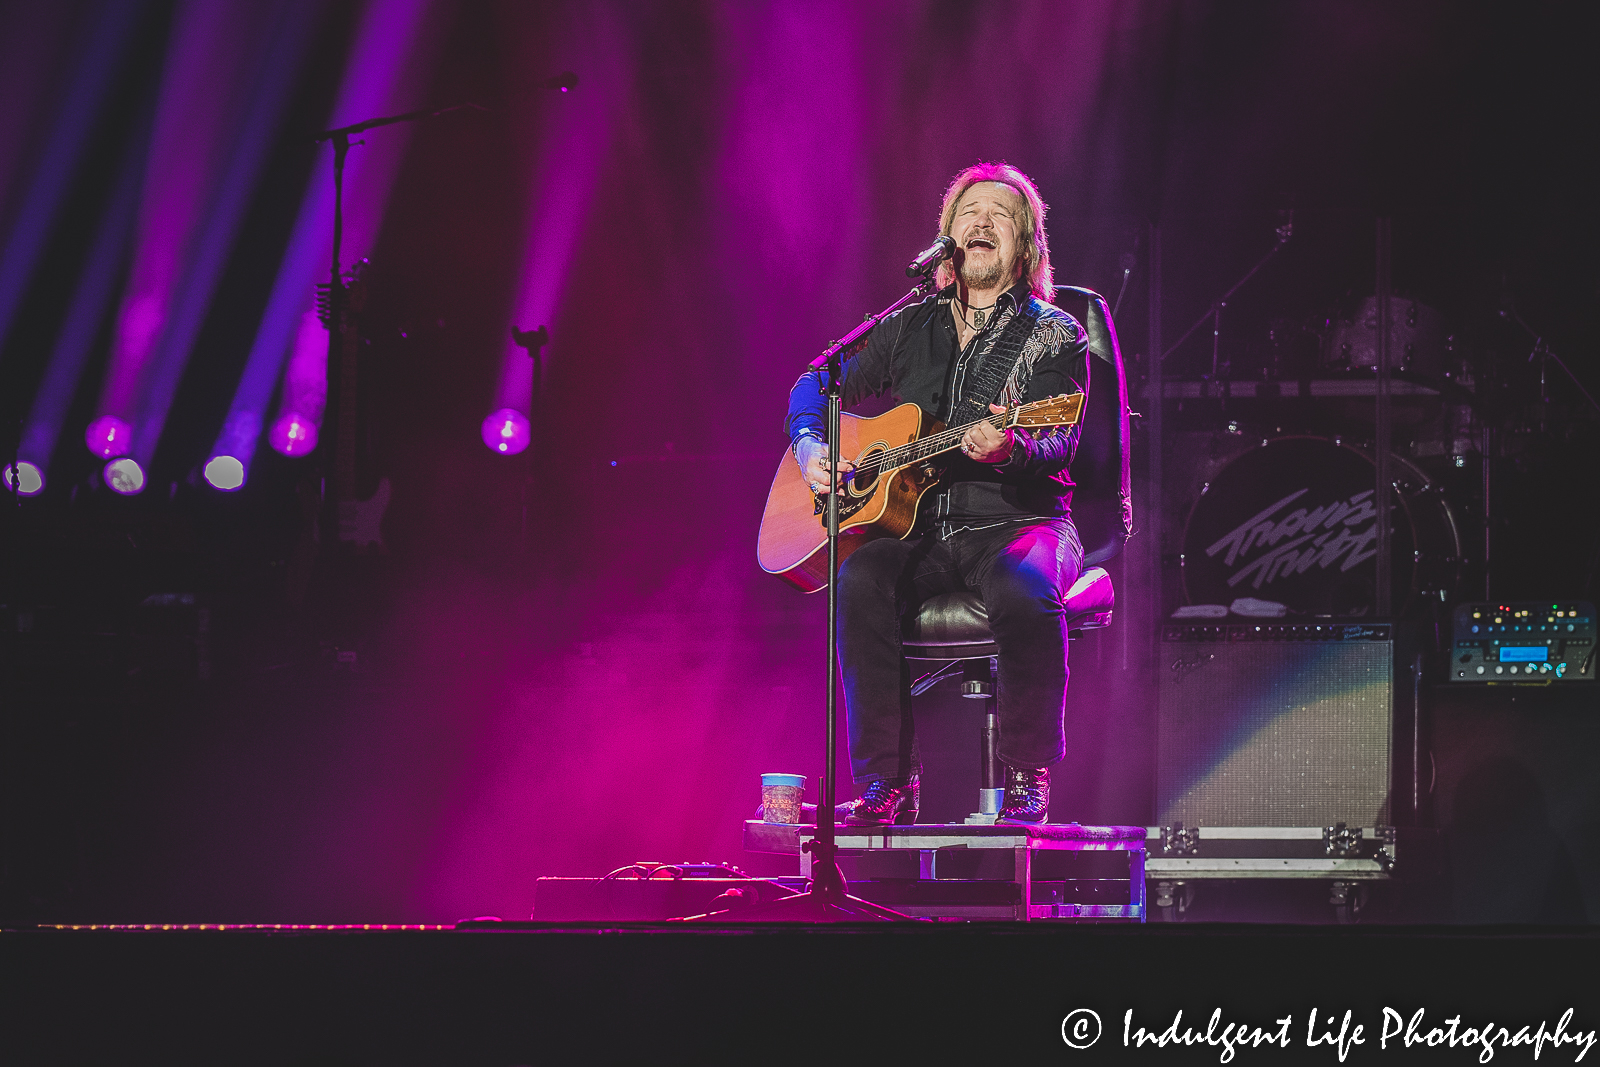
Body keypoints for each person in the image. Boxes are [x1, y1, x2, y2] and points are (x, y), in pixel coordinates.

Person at [784, 162, 1089, 826]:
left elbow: (1062, 438)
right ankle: (886, 783)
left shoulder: (1054, 333)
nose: (982, 222)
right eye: (968, 212)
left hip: (1021, 519)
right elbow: (814, 383)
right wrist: (812, 446)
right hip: (919, 527)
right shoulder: (908, 326)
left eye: (1000, 215)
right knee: (859, 577)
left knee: (1023, 588)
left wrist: (1014, 447)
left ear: (1026, 248)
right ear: (946, 241)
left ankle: (1025, 772)